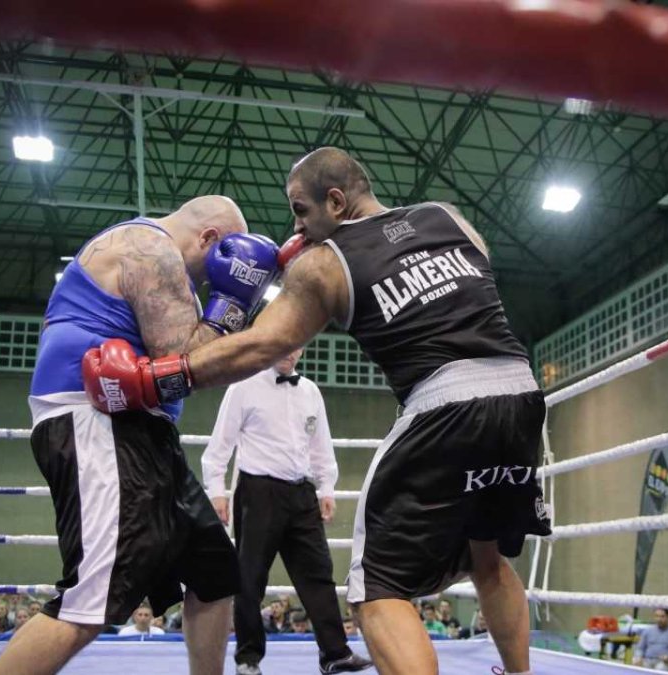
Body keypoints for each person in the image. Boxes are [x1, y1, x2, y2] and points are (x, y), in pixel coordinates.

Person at [82, 146, 552, 675]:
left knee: (376, 590)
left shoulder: (326, 264)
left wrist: (157, 378)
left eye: (301, 210)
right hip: (521, 396)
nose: (296, 225)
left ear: (335, 200)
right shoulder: (447, 217)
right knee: (487, 557)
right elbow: (476, 272)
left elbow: (259, 346)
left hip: (443, 404)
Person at [0, 196, 283, 675]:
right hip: (94, 420)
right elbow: (187, 361)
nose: (210, 279)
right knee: (91, 600)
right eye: (215, 267)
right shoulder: (150, 248)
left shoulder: (166, 262)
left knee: (214, 574)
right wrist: (232, 306)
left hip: (144, 430)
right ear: (210, 239)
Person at [203, 347, 371, 674]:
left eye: (297, 347)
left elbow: (321, 444)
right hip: (258, 490)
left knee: (318, 573)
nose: (290, 353)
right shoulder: (243, 386)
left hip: (302, 492)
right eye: (284, 346)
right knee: (250, 578)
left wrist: (326, 487)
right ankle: (248, 659)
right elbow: (219, 445)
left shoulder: (310, 391)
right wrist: (217, 491)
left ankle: (335, 653)